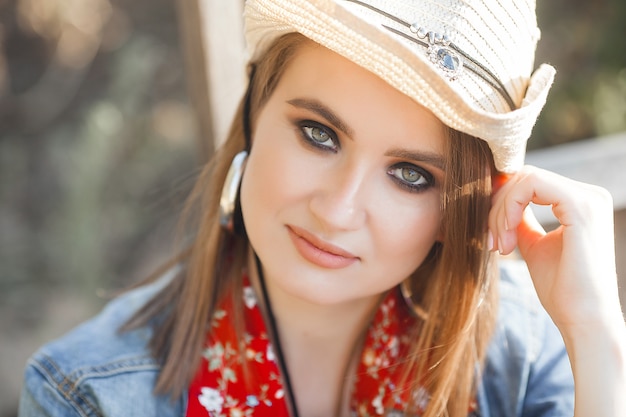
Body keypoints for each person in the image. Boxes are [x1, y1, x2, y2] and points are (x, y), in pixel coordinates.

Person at [18, 0, 626, 416]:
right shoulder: (85, 393)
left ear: (459, 208)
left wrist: (597, 336)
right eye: (318, 134)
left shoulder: (519, 353)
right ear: (255, 108)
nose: (338, 210)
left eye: (411, 174)